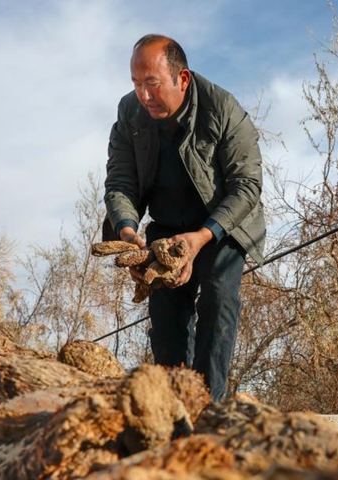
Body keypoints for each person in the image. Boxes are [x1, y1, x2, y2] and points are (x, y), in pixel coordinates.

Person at [102, 34, 266, 401]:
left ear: (182, 79)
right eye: (136, 84)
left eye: (153, 84)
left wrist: (201, 239)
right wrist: (127, 231)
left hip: (220, 225)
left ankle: (208, 407)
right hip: (166, 227)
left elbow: (247, 187)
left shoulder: (224, 109)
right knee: (166, 321)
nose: (144, 96)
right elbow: (120, 181)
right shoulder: (129, 112)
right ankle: (175, 408)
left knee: (218, 298)